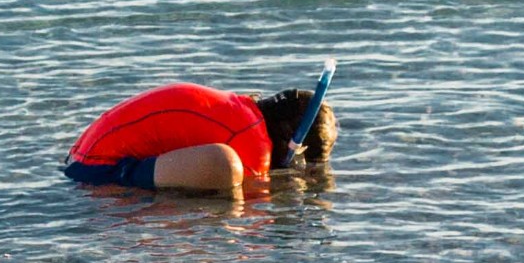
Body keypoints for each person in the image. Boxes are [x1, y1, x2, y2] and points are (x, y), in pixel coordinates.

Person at [64, 82, 336, 194]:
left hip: (82, 152)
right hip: (97, 171)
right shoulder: (253, 144)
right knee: (227, 169)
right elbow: (255, 199)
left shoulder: (241, 109)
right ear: (293, 145)